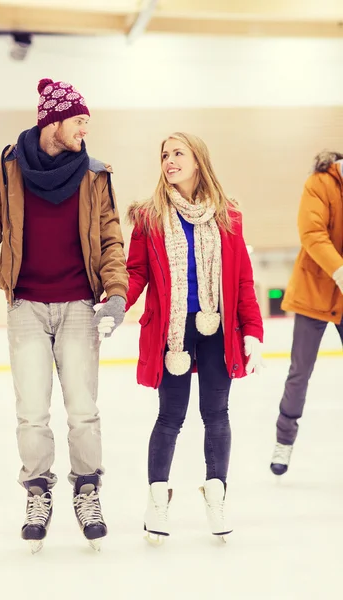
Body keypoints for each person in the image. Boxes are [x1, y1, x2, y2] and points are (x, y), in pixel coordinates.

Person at [0, 78, 128, 553]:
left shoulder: (94, 173)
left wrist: (116, 292)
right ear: (54, 120)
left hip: (78, 306)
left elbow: (111, 238)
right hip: (25, 304)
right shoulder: (5, 170)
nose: (85, 130)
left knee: (83, 412)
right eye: (79, 121)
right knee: (31, 414)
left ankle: (88, 491)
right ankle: (38, 493)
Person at [122, 132, 263, 543]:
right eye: (164, 155)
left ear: (198, 160)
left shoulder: (227, 215)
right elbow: (136, 273)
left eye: (178, 153)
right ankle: (157, 501)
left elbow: (242, 280)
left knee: (216, 415)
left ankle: (216, 494)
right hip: (172, 333)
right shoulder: (149, 217)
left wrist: (252, 330)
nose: (169, 160)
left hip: (217, 329)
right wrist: (116, 302)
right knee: (170, 417)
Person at [270, 151, 343, 476]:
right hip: (316, 288)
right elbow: (312, 233)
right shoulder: (320, 183)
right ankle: (284, 442)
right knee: (300, 372)